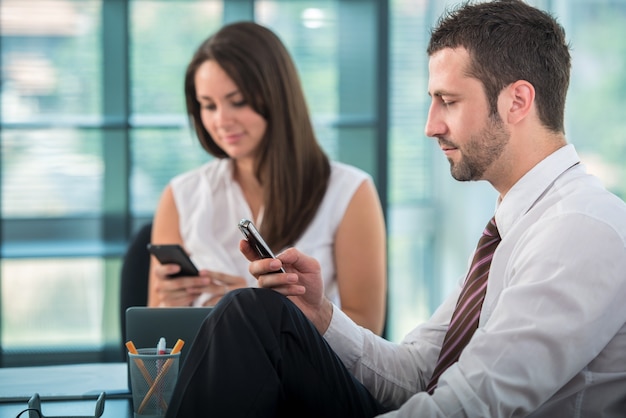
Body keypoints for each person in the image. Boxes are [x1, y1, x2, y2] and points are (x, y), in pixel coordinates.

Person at [165, 1, 626, 417]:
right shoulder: (514, 227)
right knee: (260, 313)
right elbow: (418, 372)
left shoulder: (579, 230)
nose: (430, 126)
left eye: (448, 101)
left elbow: (469, 407)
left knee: (249, 315)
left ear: (517, 102)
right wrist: (321, 313)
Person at [147, 21, 387, 335]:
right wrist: (171, 307)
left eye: (238, 102)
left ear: (276, 95)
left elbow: (367, 332)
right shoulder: (181, 195)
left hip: (304, 381)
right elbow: (153, 336)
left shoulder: (350, 192)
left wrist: (253, 307)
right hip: (209, 376)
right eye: (208, 106)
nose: (221, 121)